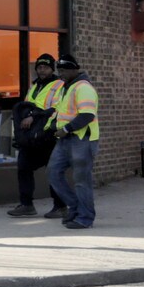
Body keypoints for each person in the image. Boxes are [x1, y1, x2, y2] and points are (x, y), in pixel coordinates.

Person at [46, 56, 100, 230]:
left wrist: (66, 129)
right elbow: (60, 112)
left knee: (81, 180)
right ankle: (75, 207)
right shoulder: (65, 88)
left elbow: (87, 115)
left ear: (74, 69)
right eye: (59, 70)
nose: (60, 74)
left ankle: (85, 218)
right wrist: (52, 126)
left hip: (82, 139)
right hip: (65, 139)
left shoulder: (83, 88)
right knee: (53, 172)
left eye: (63, 70)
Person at [6, 54, 63, 217]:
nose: (41, 70)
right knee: (23, 167)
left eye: (45, 67)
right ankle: (26, 204)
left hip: (48, 135)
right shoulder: (34, 86)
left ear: (52, 68)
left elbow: (56, 108)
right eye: (39, 67)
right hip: (32, 136)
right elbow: (27, 105)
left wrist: (34, 116)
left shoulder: (59, 85)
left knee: (53, 171)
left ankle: (60, 206)